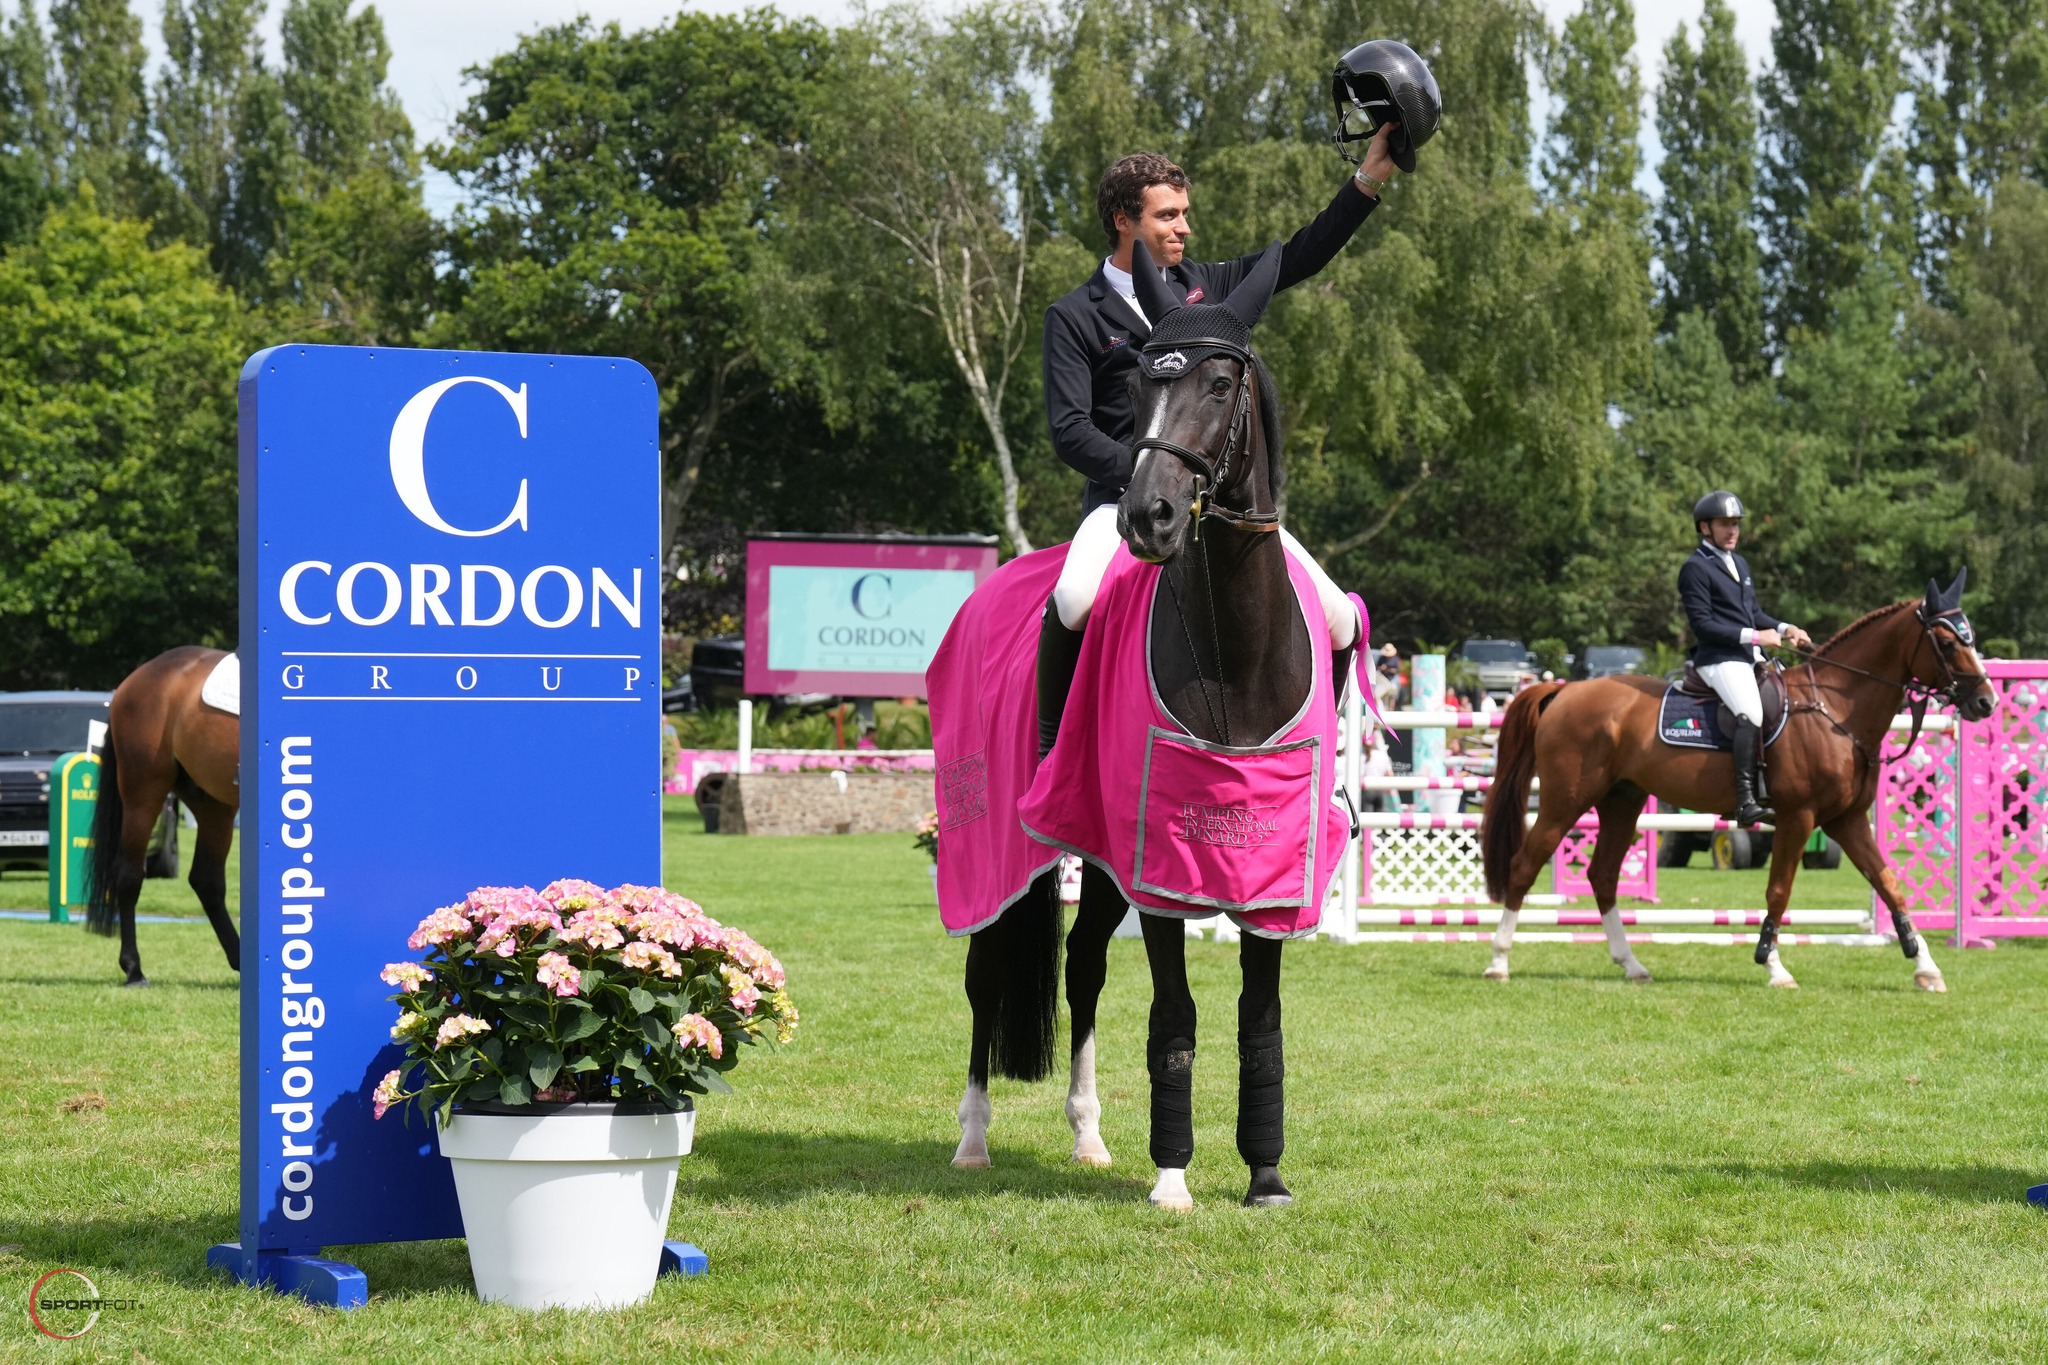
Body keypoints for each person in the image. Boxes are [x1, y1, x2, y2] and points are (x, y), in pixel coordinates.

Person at [1032, 122, 1403, 758]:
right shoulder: (1076, 315)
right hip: (1124, 501)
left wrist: (1368, 179)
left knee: (1341, 619)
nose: (1183, 228)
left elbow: (1301, 253)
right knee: (1072, 599)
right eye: (1167, 215)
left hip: (1223, 507)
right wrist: (1155, 475)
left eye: (1185, 214)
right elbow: (1069, 432)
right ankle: (1050, 754)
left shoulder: (1209, 288)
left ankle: (1328, 766)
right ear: (1124, 220)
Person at [1678, 490, 1813, 824]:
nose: (1733, 531)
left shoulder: (1739, 563)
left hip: (1747, 655)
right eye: (1725, 524)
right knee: (1750, 711)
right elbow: (1704, 624)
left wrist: (1785, 627)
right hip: (1718, 658)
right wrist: (1755, 636)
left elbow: (1753, 612)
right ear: (1705, 527)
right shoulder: (1695, 568)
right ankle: (1745, 799)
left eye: (1736, 524)